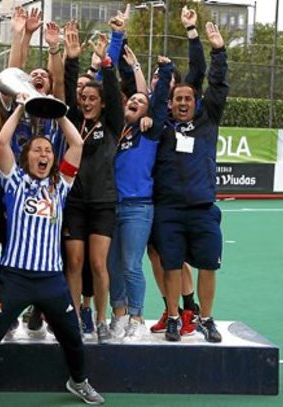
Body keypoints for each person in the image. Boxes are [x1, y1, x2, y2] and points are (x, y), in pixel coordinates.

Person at [0, 90, 104, 405]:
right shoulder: (13, 181)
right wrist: (21, 107)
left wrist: (58, 113)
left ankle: (78, 381)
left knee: (72, 335)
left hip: (52, 281)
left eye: (48, 151)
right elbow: (3, 142)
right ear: (26, 156)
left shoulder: (60, 184)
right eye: (37, 150)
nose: (44, 155)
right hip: (14, 278)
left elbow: (77, 144)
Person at [152, 22, 228, 343]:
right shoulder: (161, 127)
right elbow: (153, 100)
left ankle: (205, 318)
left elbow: (217, 85)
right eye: (177, 99)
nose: (183, 102)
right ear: (170, 104)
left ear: (196, 102)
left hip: (202, 209)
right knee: (171, 266)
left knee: (208, 266)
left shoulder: (207, 121)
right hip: (168, 211)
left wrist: (217, 50)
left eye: (188, 98)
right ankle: (173, 317)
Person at [63, 31, 124, 343]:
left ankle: (101, 320)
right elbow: (67, 90)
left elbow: (113, 92)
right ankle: (75, 318)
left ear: (101, 103)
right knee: (74, 262)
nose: (87, 102)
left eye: (92, 99)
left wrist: (106, 63)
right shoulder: (74, 121)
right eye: (83, 98)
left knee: (99, 264)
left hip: (102, 203)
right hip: (74, 203)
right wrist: (72, 60)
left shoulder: (112, 123)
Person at [107, 54, 172, 341]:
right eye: (131, 99)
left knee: (131, 265)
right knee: (112, 266)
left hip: (138, 208)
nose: (134, 101)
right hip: (111, 207)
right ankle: (119, 314)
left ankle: (137, 317)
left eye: (140, 101)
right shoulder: (115, 131)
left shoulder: (149, 131)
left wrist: (165, 70)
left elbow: (159, 100)